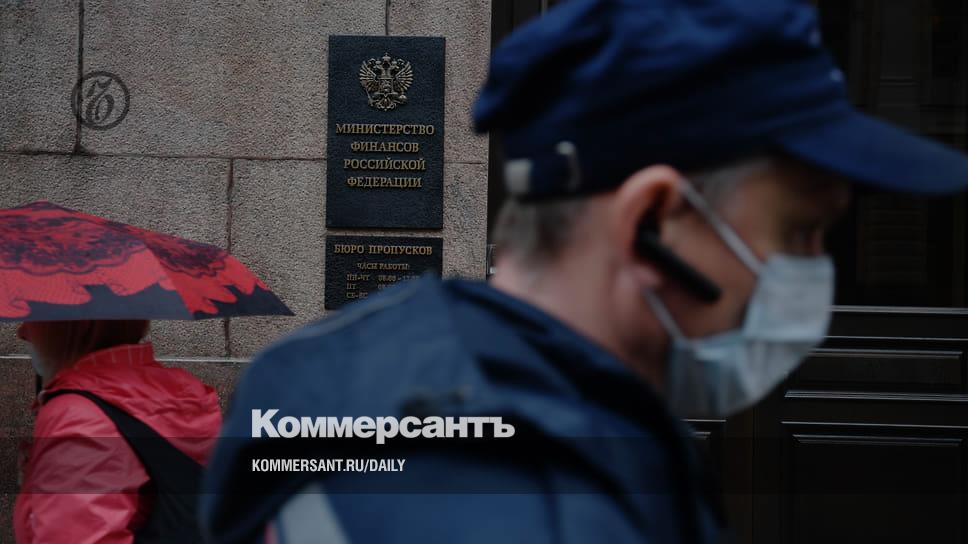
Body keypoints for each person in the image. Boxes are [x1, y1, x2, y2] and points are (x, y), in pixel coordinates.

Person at [200, 0, 968, 542]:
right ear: (652, 219)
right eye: (798, 229)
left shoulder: (353, 359)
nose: (814, 270)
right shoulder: (522, 510)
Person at [14, 320, 221, 543]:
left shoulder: (78, 418)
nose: (22, 332)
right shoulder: (183, 390)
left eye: (35, 318)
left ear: (76, 325)